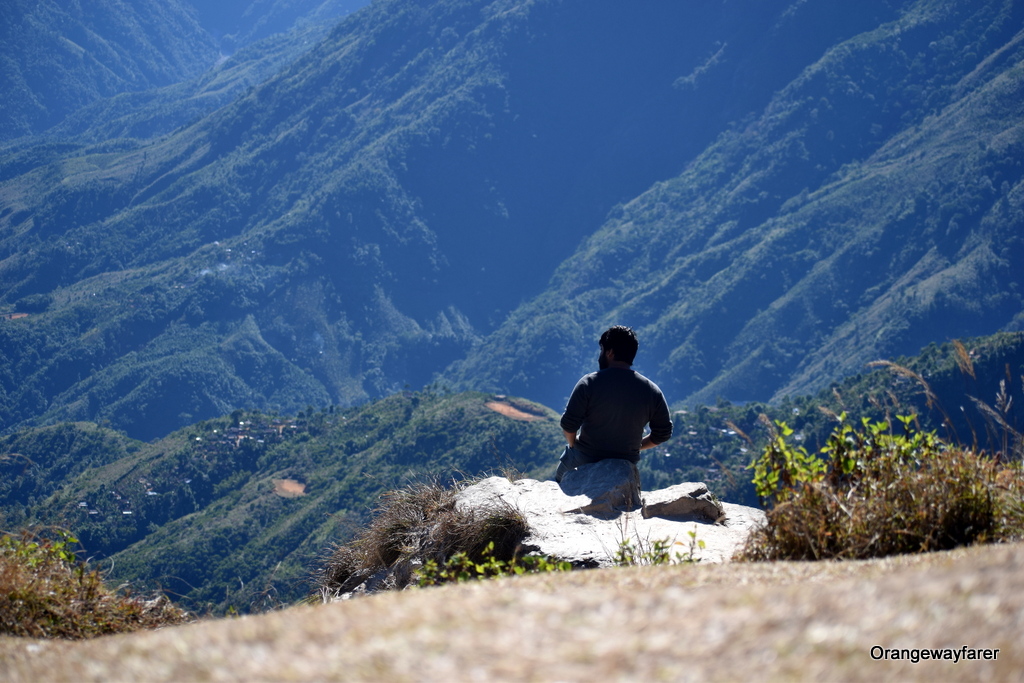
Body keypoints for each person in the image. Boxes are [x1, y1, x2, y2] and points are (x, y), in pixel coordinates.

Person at [555, 325, 673, 483]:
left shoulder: (589, 383)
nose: (600, 355)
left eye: (602, 350)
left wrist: (573, 443)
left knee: (558, 485)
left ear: (609, 352)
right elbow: (662, 434)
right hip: (624, 467)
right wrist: (636, 447)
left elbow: (569, 426)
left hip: (584, 460)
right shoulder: (652, 391)